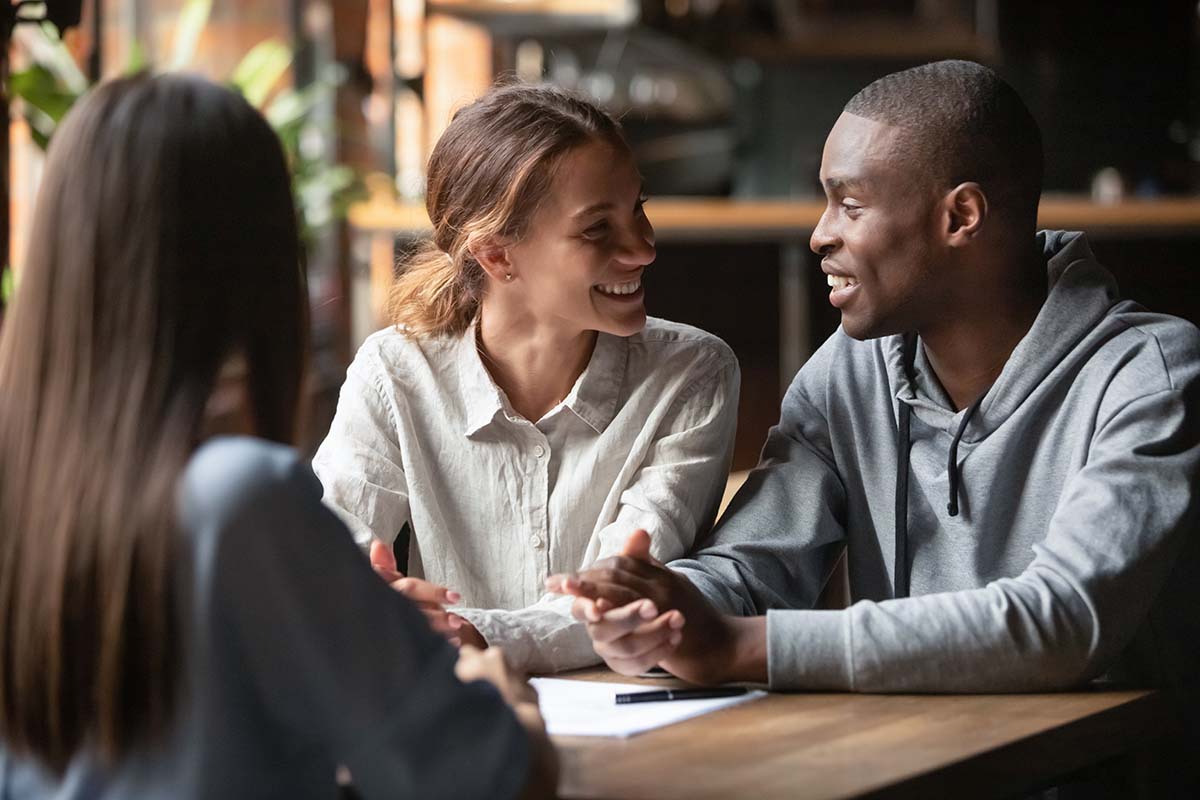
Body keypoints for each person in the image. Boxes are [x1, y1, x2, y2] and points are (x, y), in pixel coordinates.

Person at [551, 60, 1200, 792]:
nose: (819, 236)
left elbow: (1060, 623)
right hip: (915, 770)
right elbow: (753, 565)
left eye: (849, 205)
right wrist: (660, 612)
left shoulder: (1152, 375)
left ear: (960, 217)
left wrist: (737, 647)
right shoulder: (851, 371)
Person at [0, 74, 556, 799]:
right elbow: (488, 778)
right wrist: (500, 693)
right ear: (256, 265)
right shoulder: (238, 498)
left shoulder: (26, 494)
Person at [312, 82, 739, 672]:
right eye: (597, 228)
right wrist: (369, 602)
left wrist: (461, 633)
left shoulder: (692, 373)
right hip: (450, 722)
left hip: (636, 727)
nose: (643, 247)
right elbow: (331, 570)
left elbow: (619, 600)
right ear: (497, 256)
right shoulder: (394, 374)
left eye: (637, 208)